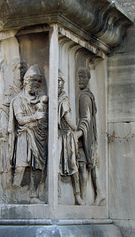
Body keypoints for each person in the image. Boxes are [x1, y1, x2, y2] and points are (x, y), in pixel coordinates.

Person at [8, 64, 48, 200]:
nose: (35, 84)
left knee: (38, 166)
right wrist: (34, 117)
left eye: (37, 82)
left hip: (39, 136)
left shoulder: (40, 99)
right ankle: (13, 193)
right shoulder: (18, 100)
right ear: (25, 81)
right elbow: (20, 120)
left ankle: (34, 194)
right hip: (24, 136)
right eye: (32, 81)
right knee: (21, 166)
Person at [77, 68, 105, 205]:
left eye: (83, 77)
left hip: (86, 136)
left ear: (88, 79)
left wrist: (78, 133)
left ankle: (84, 197)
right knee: (90, 164)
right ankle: (99, 193)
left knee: (86, 164)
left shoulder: (85, 96)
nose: (80, 80)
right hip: (89, 135)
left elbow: (86, 119)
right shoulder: (88, 95)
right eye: (79, 77)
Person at [58, 70, 84, 205]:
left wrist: (77, 129)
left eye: (59, 81)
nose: (57, 84)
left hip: (67, 136)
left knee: (73, 165)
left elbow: (69, 120)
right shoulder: (52, 99)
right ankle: (56, 193)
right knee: (55, 164)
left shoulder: (63, 100)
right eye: (55, 81)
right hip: (57, 137)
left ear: (62, 84)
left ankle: (77, 195)